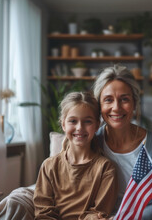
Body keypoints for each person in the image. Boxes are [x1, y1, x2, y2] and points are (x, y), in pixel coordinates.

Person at [92, 65, 152, 220]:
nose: (116, 107)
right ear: (99, 106)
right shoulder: (92, 143)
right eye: (108, 100)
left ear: (135, 104)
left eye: (124, 99)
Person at [33, 91, 118, 220]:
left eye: (87, 121)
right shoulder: (49, 166)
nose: (79, 127)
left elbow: (99, 213)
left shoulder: (106, 168)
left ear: (97, 125)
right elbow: (43, 213)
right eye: (73, 121)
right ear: (63, 124)